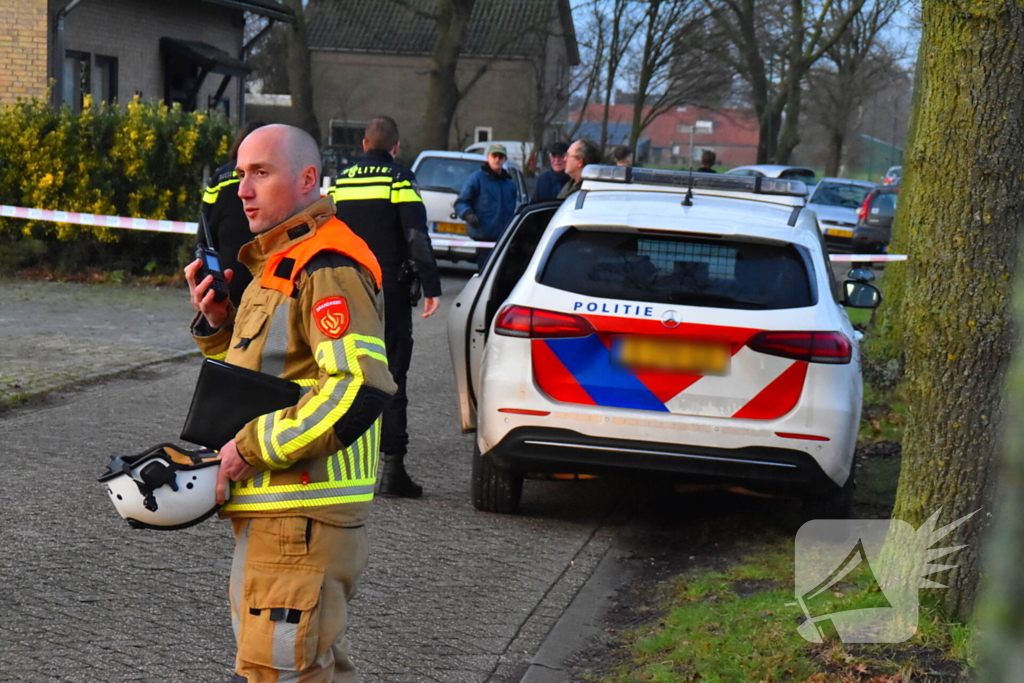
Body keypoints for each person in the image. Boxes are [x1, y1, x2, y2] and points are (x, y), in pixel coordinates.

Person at [184, 124, 396, 683]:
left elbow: (357, 388)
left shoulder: (326, 265)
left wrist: (249, 450)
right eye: (239, 174)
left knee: (277, 674)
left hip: (299, 515)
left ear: (307, 179)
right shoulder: (277, 261)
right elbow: (273, 373)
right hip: (280, 514)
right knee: (307, 671)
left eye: (261, 173)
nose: (243, 191)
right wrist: (217, 326)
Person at [329, 116, 442, 499]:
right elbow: (415, 234)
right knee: (393, 373)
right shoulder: (399, 180)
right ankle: (392, 469)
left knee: (345, 371)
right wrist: (432, 286)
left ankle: (339, 463)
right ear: (395, 147)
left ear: (364, 145)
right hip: (388, 290)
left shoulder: (342, 182)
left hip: (347, 289)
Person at [198, 120, 266, 306]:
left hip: (228, 269)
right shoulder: (269, 173)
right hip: (263, 270)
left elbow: (205, 222)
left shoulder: (220, 176)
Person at [455, 143, 518, 270]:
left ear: (505, 159)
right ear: (488, 157)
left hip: (504, 239)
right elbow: (461, 202)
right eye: (494, 155)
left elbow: (515, 208)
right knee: (486, 273)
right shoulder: (476, 179)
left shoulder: (509, 183)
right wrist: (468, 214)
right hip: (485, 238)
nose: (497, 159)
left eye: (500, 156)